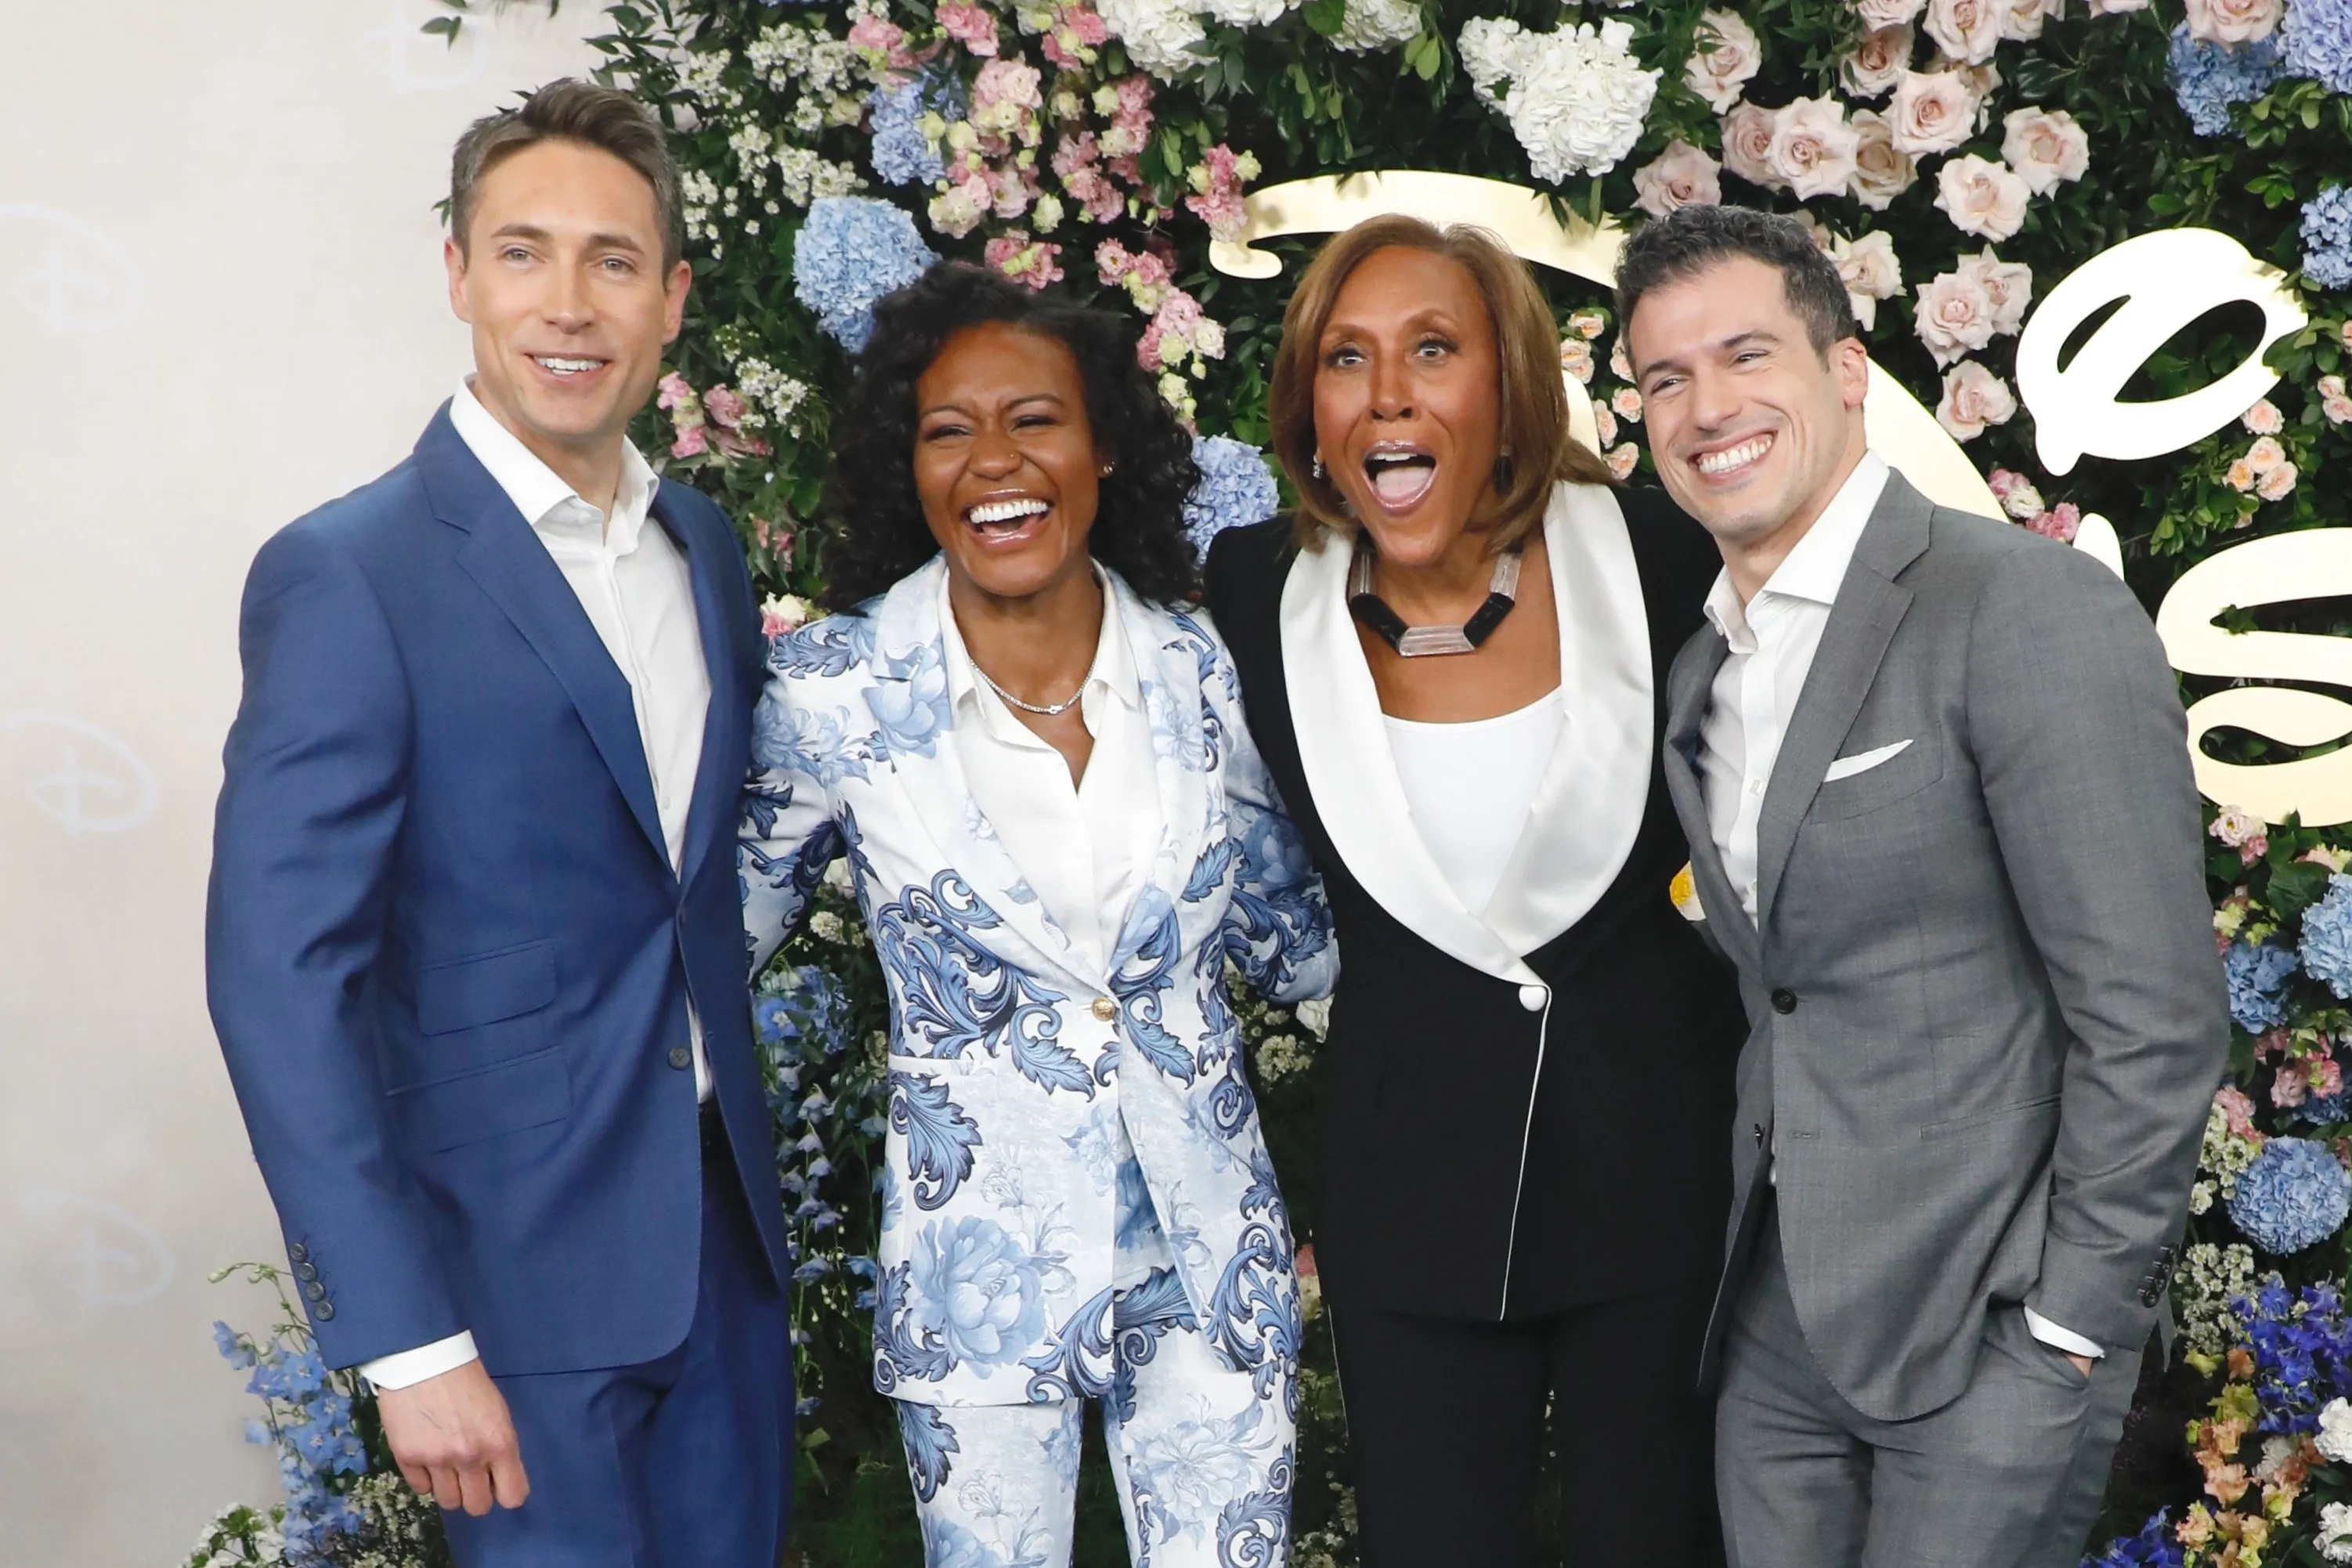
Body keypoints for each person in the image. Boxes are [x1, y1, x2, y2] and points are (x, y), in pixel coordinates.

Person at [205, 81, 793, 1566]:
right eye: (524, 252)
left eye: (613, 260)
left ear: (671, 298)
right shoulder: (349, 573)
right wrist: (408, 1340)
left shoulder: (702, 549)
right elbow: (281, 979)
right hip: (503, 1303)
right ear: (460, 274)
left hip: (721, 1269)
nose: (568, 303)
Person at [1617, 203, 2227, 1568]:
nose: (1707, 408)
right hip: (1776, 1332)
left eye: (1745, 355)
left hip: (1987, 1334)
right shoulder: (1703, 668)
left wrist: (2069, 1323)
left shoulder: (2018, 605)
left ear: (1845, 372)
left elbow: (2154, 1014)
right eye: (1665, 379)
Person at [738, 262, 1336, 1568]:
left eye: (1034, 419)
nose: (994, 461)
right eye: (948, 430)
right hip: (976, 1273)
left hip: (1208, 1265)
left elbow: (1308, 951)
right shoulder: (831, 690)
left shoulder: (1206, 669)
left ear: (1102, 446)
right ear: (908, 467)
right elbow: (710, 946)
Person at [1202, 215, 1745, 1567]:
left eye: (1432, 350)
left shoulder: (1664, 555)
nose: (1386, 393)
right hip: (1410, 1205)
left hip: (1655, 1184)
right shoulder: (1253, 593)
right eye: (1346, 359)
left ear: (1506, 387)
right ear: (1310, 410)